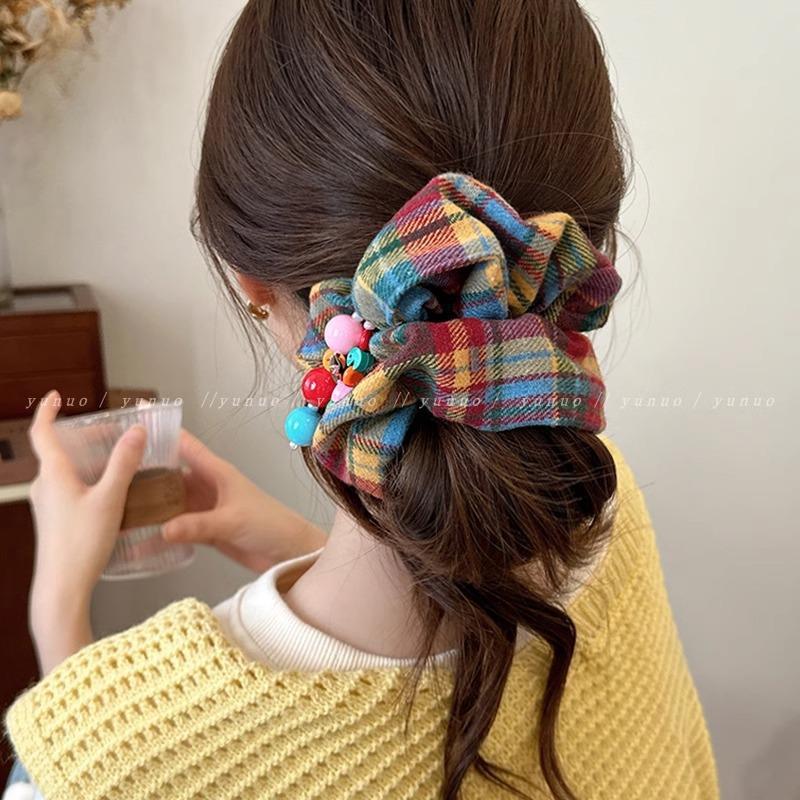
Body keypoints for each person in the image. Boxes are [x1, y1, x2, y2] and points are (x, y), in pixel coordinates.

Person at [3, 2, 719, 799]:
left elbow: (117, 770)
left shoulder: (105, 756)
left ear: (253, 287)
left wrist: (59, 616)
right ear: (580, 251)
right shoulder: (606, 511)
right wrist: (293, 543)